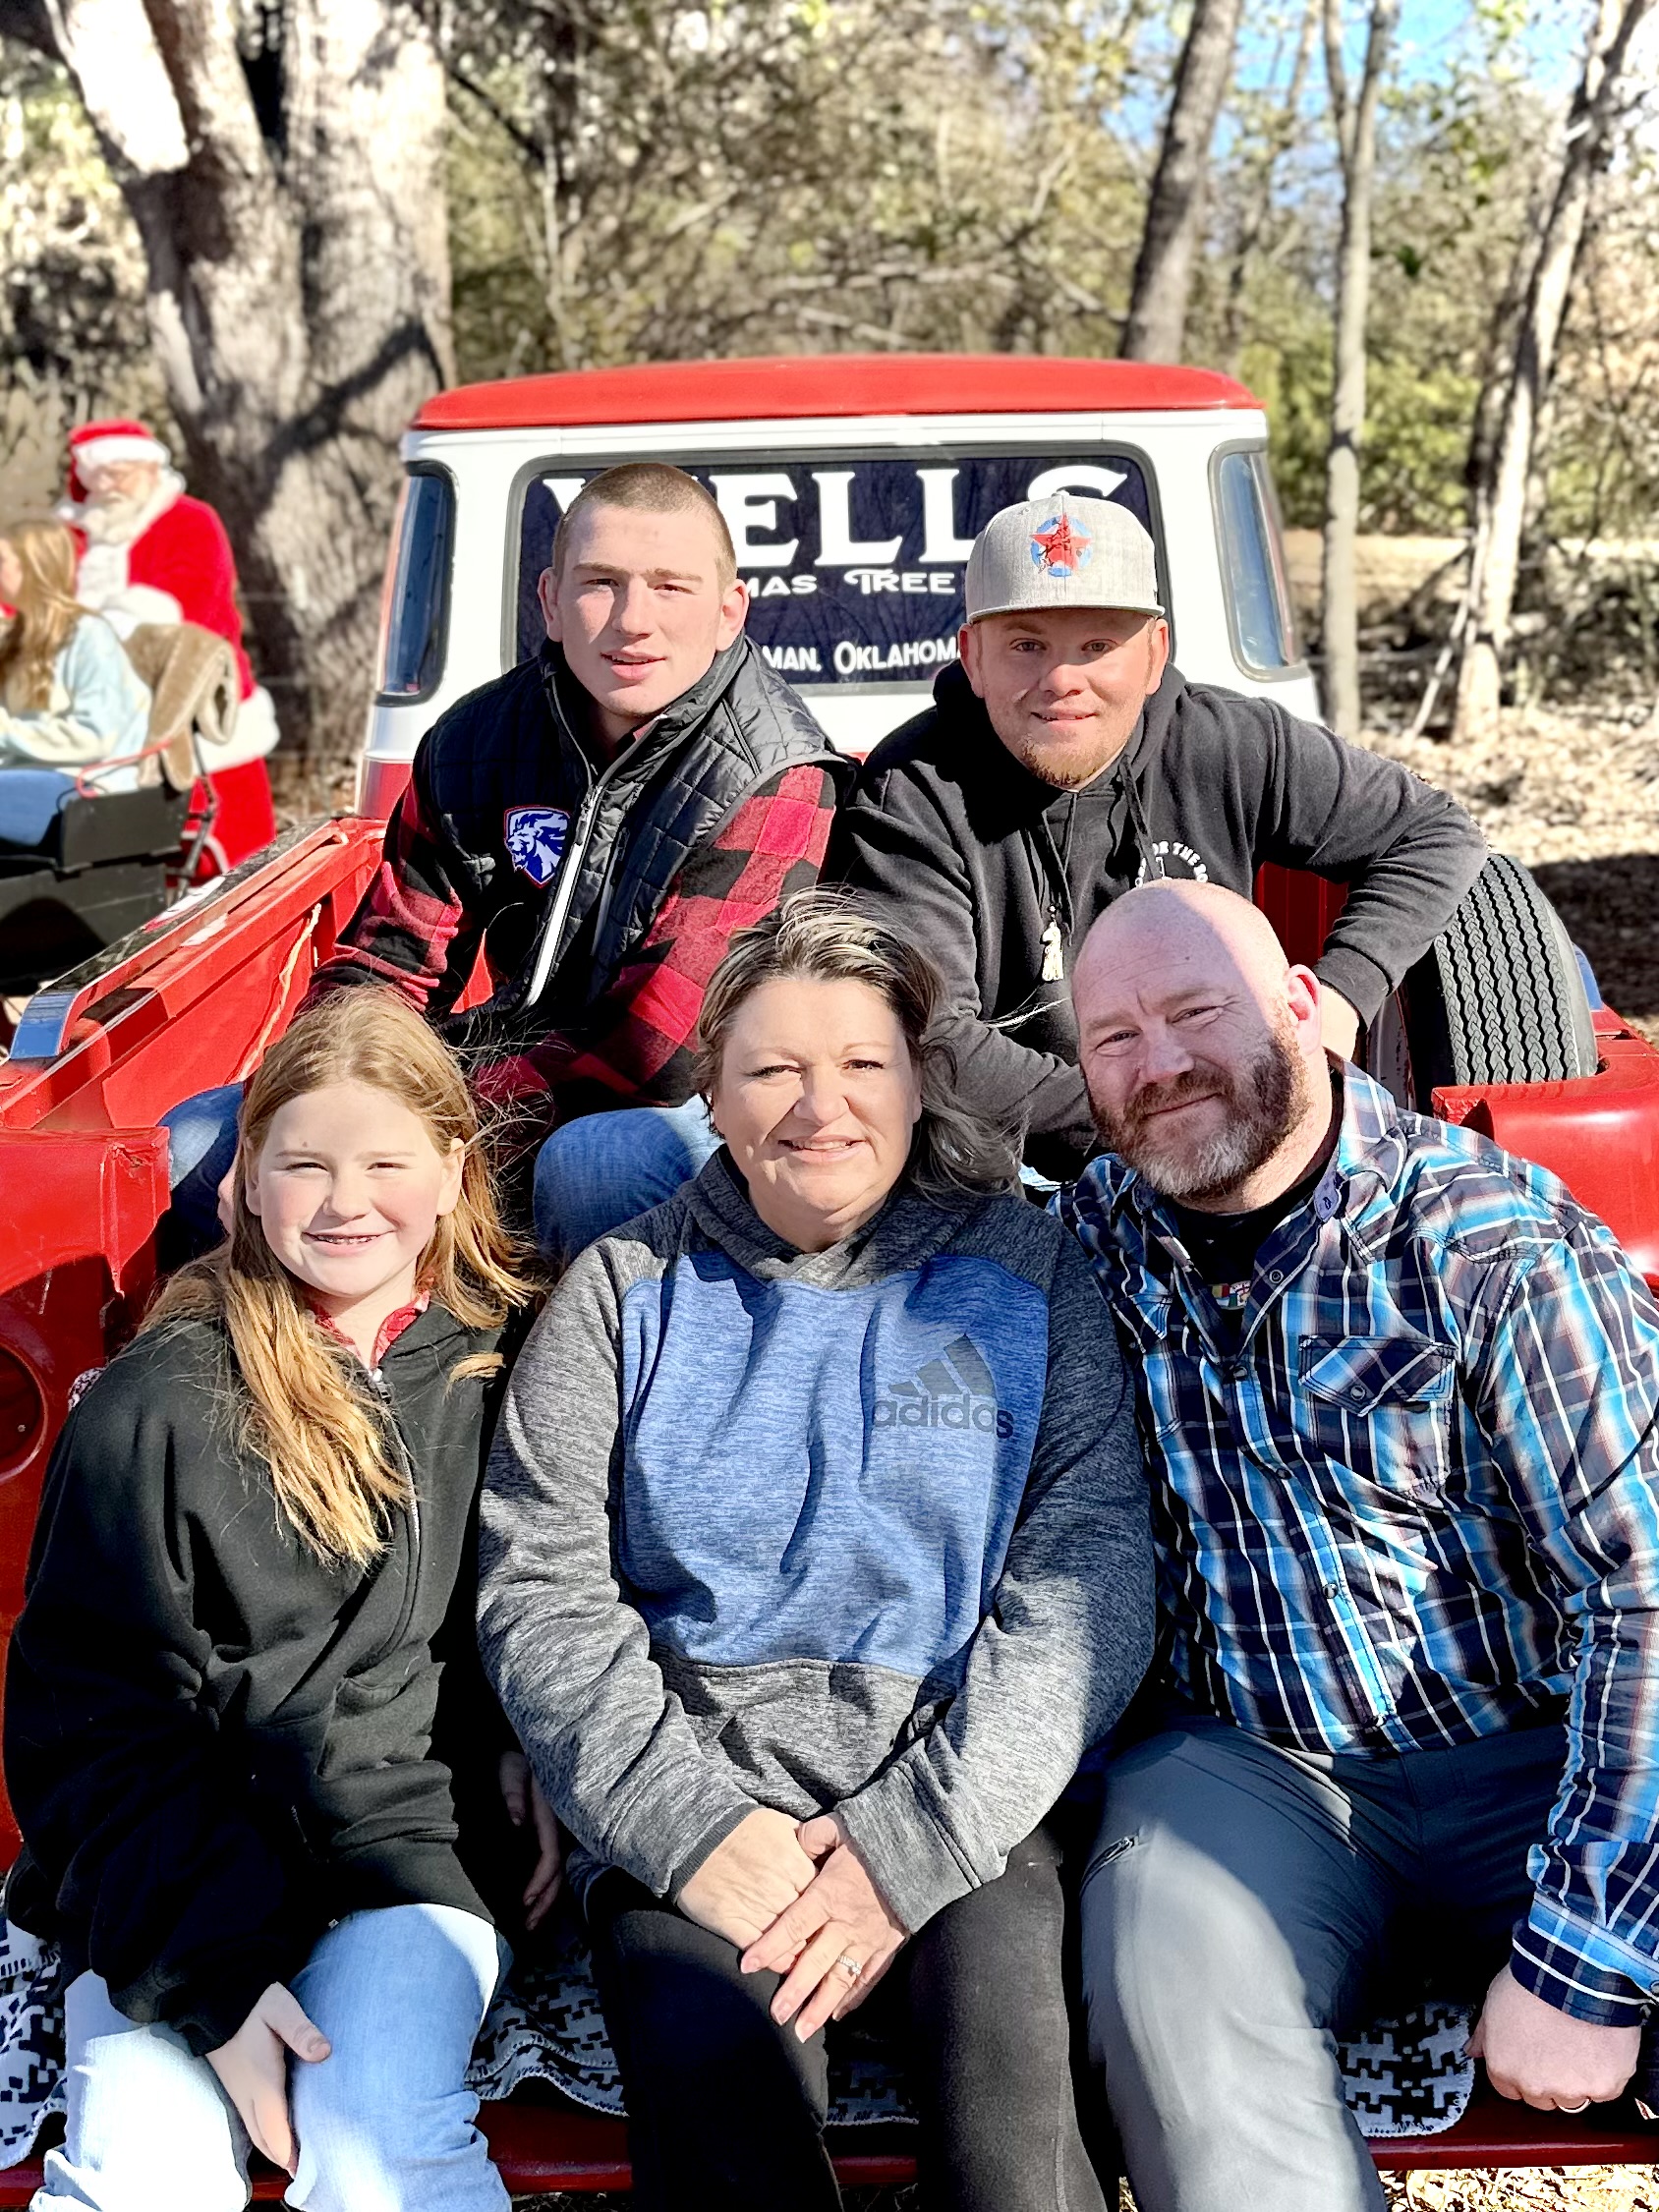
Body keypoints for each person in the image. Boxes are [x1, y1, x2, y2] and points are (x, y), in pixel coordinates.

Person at [476, 893, 1154, 2212]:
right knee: (731, 2144)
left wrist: (911, 1841)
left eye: (860, 1064)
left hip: (962, 1798)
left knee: (1014, 2153)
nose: (819, 1106)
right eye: (773, 1070)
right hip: (700, 1803)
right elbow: (540, 1584)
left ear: (917, 1081)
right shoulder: (621, 1291)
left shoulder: (1027, 1274)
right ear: (712, 1096)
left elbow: (1090, 1576)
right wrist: (688, 1826)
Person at [1058, 877, 1659, 2212]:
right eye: (1114, 1037)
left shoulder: (1489, 1242)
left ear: (1301, 1005)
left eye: (1197, 1011)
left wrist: (1585, 1957)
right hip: (1258, 1766)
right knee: (1162, 1967)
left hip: (1540, 1746)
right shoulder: (1090, 1243)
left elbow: (1647, 1589)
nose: (1159, 1064)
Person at [4, 987, 535, 2212]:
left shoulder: (499, 1364)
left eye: (385, 1164)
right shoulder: (157, 1402)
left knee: (381, 2144)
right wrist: (216, 1989)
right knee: (144, 2170)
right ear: (243, 1181)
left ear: (453, 1174)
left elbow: (543, 1592)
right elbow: (95, 1726)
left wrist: (525, 1746)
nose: (347, 1202)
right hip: (170, 1870)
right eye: (304, 1165)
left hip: (400, 1857)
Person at [162, 462, 846, 1264]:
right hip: (506, 1065)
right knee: (197, 1141)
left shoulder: (776, 773)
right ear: (550, 600)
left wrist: (419, 1121)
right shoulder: (475, 740)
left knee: (596, 1165)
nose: (633, 621)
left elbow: (659, 1052)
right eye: (601, 583)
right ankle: (284, 1338)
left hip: (713, 1101)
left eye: (671, 587)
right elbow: (388, 960)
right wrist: (308, 1097)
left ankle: (590, 1345)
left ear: (729, 612)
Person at [832, 491, 1489, 1182]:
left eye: (1098, 646)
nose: (1062, 680)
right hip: (1009, 1173)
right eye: (1026, 645)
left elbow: (1435, 831)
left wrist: (1341, 995)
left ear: (1154, 653)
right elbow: (929, 1038)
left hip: (1224, 1135)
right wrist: (1160, 1122)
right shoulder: (913, 792)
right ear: (972, 658)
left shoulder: (1228, 743)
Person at [57, 418, 279, 863]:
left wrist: (98, 638)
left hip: (189, 694)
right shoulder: (69, 536)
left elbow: (191, 604)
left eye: (120, 473)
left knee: (226, 844)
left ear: (151, 470)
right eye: (98, 476)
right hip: (90, 703)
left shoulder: (190, 521)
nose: (109, 486)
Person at [0, 519, 151, 844]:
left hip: (84, 787)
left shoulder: (88, 636)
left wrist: (7, 733)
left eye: (2, 561)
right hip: (20, 778)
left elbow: (96, 736)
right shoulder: (14, 639)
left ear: (35, 568)